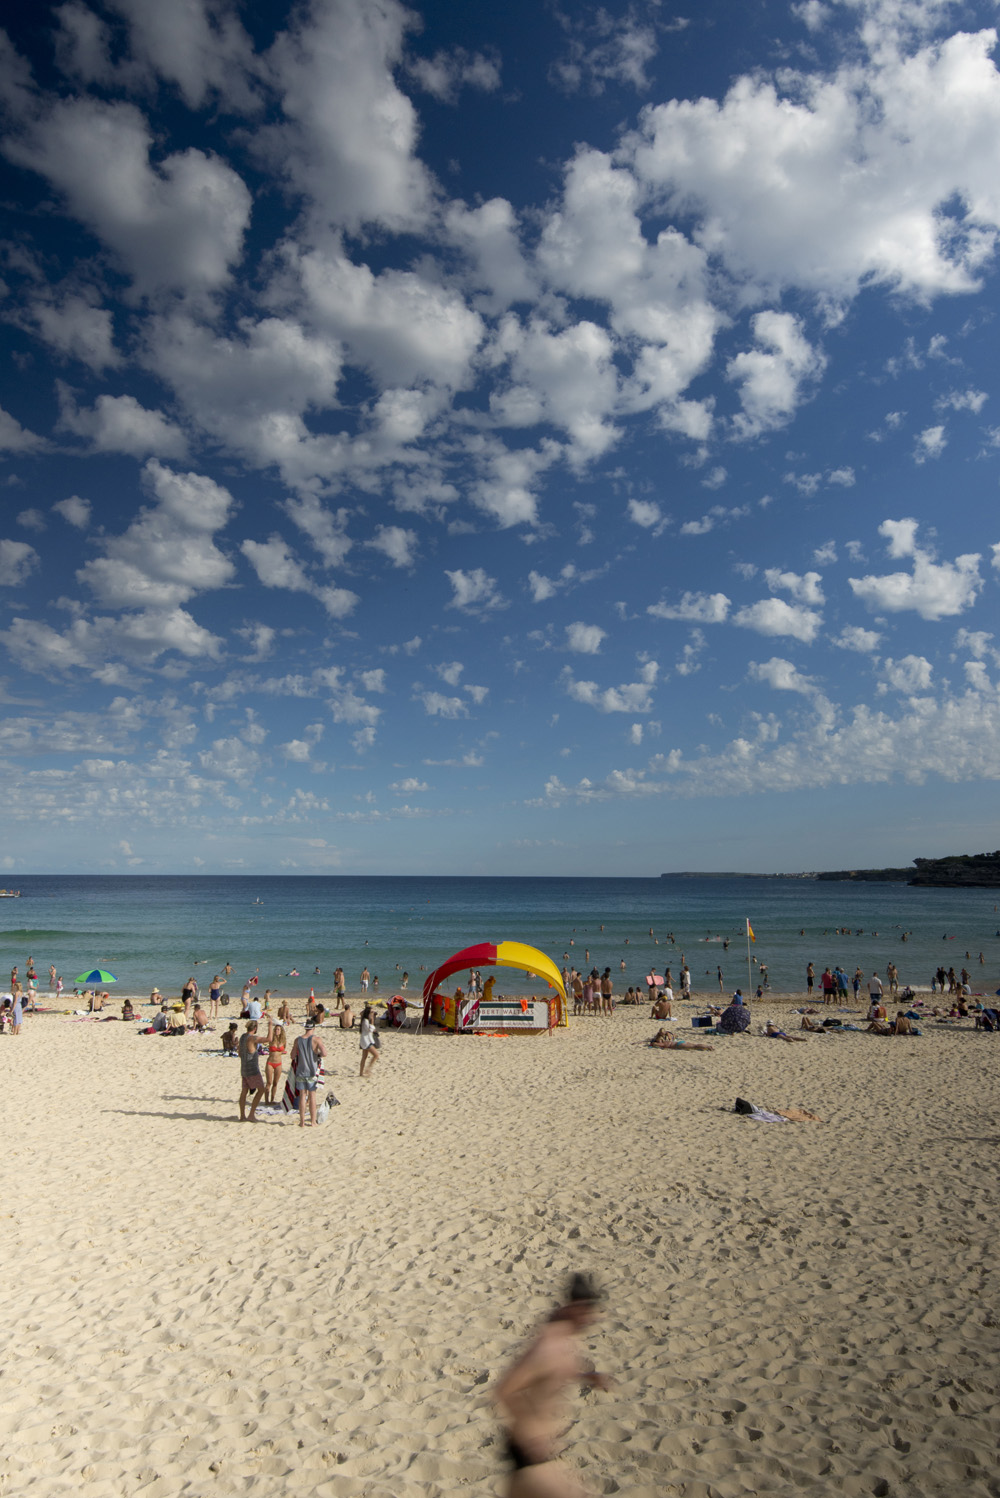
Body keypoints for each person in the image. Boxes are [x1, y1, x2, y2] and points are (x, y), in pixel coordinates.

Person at [493, 1273, 610, 1498]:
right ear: (573, 1307)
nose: (590, 1318)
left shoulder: (566, 1334)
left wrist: (587, 1376)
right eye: (586, 1311)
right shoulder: (547, 1346)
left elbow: (555, 1372)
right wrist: (530, 1436)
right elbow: (503, 1390)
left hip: (542, 1451)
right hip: (530, 1453)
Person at [290, 1022, 327, 1126]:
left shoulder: (298, 1040)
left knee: (302, 1096)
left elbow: (292, 1056)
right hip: (312, 1072)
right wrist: (317, 1054)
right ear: (313, 1028)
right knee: (312, 1096)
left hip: (301, 1071)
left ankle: (301, 1122)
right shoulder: (316, 1039)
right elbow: (324, 1053)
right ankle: (312, 1121)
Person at [238, 1021, 265, 1122]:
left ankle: (242, 1116)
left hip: (244, 1067)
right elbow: (269, 1039)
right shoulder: (252, 1038)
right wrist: (271, 1025)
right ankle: (251, 1115)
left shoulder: (242, 1037)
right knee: (261, 1089)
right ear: (255, 1028)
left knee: (244, 1091)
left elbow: (240, 1052)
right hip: (252, 1069)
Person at [265, 1023, 287, 1104]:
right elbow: (268, 1037)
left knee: (275, 1083)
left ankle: (272, 1099)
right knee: (269, 1082)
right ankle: (266, 1101)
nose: (277, 1031)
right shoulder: (271, 1039)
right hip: (270, 1062)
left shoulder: (283, 1041)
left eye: (278, 1029)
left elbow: (283, 1050)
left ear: (281, 1031)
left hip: (278, 1063)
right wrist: (270, 1026)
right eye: (276, 1029)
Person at [649, 1027, 714, 1051]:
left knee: (694, 1046)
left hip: (678, 1045)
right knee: (695, 1045)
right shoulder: (668, 1038)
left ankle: (708, 1047)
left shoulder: (663, 1043)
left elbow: (656, 1044)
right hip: (679, 1042)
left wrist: (654, 1042)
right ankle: (707, 1046)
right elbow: (673, 1035)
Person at [359, 1003, 380, 1079]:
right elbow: (371, 1029)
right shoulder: (365, 1021)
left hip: (365, 1040)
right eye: (371, 1012)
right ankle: (368, 1069)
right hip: (366, 1041)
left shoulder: (365, 1020)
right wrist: (372, 1021)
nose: (372, 1014)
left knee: (364, 1057)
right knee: (376, 1055)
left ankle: (361, 1072)